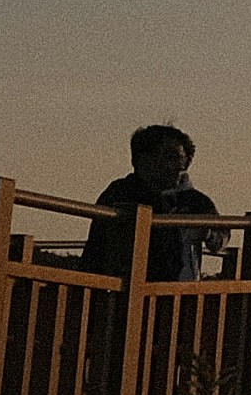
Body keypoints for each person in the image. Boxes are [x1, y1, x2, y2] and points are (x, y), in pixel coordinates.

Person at [93, 120, 223, 280]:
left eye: (182, 159)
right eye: (170, 157)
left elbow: (222, 233)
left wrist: (209, 234)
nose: (179, 166)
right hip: (126, 292)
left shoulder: (193, 199)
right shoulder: (121, 192)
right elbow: (102, 251)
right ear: (142, 160)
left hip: (181, 295)